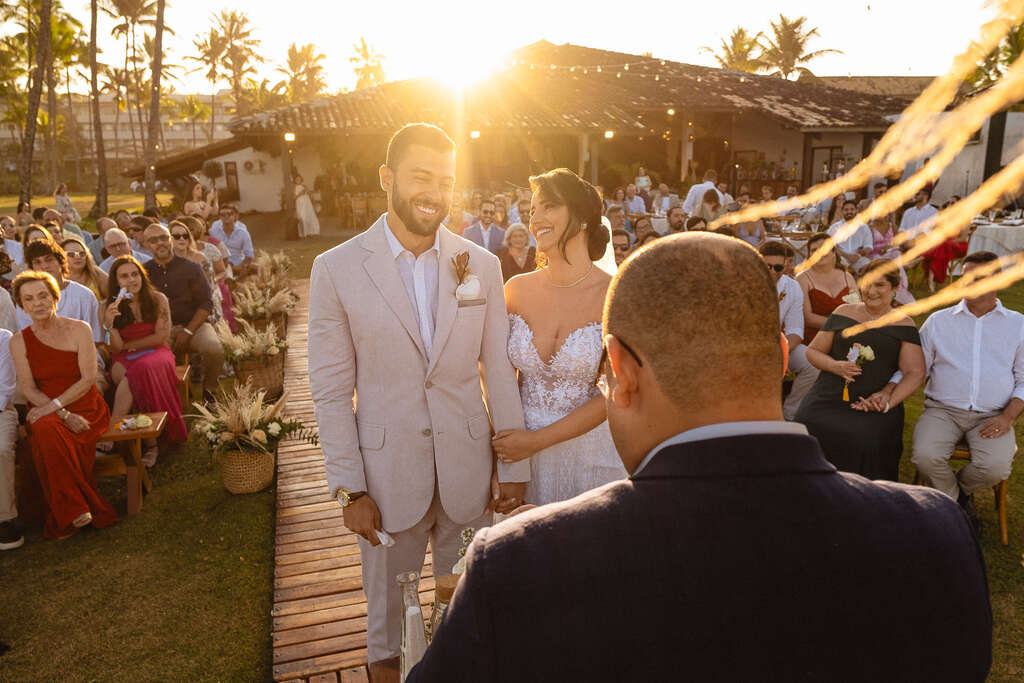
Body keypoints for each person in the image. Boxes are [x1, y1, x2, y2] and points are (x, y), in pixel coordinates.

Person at [409, 234, 992, 683]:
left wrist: (539, 542)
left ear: (621, 370)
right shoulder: (935, 531)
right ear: (782, 354)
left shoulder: (518, 566)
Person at [308, 124, 528, 683]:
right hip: (383, 483)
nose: (435, 192)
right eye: (421, 177)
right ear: (387, 179)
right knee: (387, 631)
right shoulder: (335, 269)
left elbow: (497, 370)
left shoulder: (481, 263)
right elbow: (332, 391)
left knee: (471, 617)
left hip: (470, 472)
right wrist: (348, 489)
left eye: (447, 181)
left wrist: (514, 464)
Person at [492, 167, 623, 506]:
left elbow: (614, 391)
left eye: (549, 206)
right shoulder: (516, 290)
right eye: (533, 209)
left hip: (591, 456)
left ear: (581, 217)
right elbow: (494, 375)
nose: (535, 219)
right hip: (520, 456)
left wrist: (536, 441)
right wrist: (506, 458)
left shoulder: (615, 295)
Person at [910, 251, 1023, 534]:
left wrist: (1007, 418)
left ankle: (952, 495)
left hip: (994, 414)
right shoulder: (938, 321)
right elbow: (916, 369)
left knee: (995, 468)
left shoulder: (1018, 324)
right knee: (925, 456)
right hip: (942, 410)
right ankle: (959, 504)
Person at [10, 271, 117, 539]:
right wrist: (62, 413)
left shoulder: (80, 329)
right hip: (49, 407)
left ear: (55, 297)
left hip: (85, 403)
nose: (37, 303)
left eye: (43, 295)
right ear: (22, 305)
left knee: (42, 425)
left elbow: (89, 378)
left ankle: (68, 509)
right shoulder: (19, 341)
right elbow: (29, 388)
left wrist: (58, 408)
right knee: (45, 428)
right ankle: (76, 507)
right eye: (29, 299)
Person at [796, 259, 926, 480]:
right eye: (866, 284)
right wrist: (834, 365)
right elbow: (813, 351)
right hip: (829, 394)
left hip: (871, 401)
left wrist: (886, 403)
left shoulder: (903, 324)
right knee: (806, 422)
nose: (871, 291)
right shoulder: (844, 312)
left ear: (895, 289)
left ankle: (862, 495)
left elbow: (915, 372)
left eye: (880, 285)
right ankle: (809, 485)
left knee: (863, 437)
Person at [102, 256, 187, 464]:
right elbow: (114, 347)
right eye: (124, 276)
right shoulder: (107, 305)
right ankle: (149, 442)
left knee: (140, 371)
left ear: (142, 276)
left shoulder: (158, 299)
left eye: (135, 274)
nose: (131, 280)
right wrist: (109, 325)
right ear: (116, 281)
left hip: (158, 353)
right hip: (122, 359)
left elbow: (160, 337)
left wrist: (129, 345)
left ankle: (120, 431)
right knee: (137, 375)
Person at [142, 223, 222, 401]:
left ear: (170, 240)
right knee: (154, 360)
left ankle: (209, 392)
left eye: (164, 238)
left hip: (193, 325)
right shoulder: (143, 273)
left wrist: (187, 331)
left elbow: (205, 304)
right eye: (154, 240)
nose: (160, 243)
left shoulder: (191, 268)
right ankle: (168, 398)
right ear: (146, 245)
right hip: (160, 330)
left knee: (214, 349)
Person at [787, 234, 858, 419]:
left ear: (834, 252)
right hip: (814, 338)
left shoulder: (847, 277)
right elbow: (808, 318)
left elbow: (857, 309)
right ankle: (794, 411)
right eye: (814, 250)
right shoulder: (803, 278)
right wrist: (840, 326)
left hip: (845, 335)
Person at [16, 237, 104, 344]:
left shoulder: (84, 295)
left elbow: (96, 339)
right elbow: (27, 339)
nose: (44, 266)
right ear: (32, 268)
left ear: (61, 262)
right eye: (37, 262)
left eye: (49, 259)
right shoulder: (26, 299)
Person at [182, 215, 236, 332]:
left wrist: (213, 281)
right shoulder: (176, 252)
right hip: (186, 295)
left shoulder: (210, 249)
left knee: (215, 327)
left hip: (210, 290)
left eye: (188, 231)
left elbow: (222, 271)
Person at [169, 220, 223, 324]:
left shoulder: (199, 258)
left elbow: (209, 285)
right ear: (169, 239)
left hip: (203, 305)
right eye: (176, 236)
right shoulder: (167, 261)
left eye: (185, 236)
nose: (181, 239)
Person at [760, 241, 804, 355]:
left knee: (808, 361)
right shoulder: (743, 283)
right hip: (744, 346)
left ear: (784, 265)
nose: (773, 272)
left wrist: (781, 352)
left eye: (778, 267)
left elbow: (795, 330)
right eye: (768, 266)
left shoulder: (793, 287)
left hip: (778, 346)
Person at [0, 327, 20, 549]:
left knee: (1, 449)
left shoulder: (3, 338)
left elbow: (4, 391)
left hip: (1, 411)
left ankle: (5, 520)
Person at [209, 204, 254, 277]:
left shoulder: (243, 233)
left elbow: (249, 255)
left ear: (234, 216)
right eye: (223, 215)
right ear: (220, 217)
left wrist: (242, 266)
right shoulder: (213, 232)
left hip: (237, 264)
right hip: (220, 264)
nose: (226, 216)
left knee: (256, 268)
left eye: (229, 214)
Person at [827, 200, 873, 271]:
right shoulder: (835, 227)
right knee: (838, 267)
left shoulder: (863, 227)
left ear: (856, 210)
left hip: (857, 258)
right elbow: (829, 246)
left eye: (852, 209)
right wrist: (847, 256)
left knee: (868, 267)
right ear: (842, 211)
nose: (849, 212)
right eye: (846, 210)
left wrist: (862, 252)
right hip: (840, 257)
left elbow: (869, 246)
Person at [294, 173, 321, 237]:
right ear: (295, 180)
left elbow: (309, 194)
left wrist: (308, 192)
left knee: (308, 216)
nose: (298, 180)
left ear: (301, 180)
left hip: (306, 203)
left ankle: (310, 232)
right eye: (297, 179)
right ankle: (303, 233)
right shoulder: (294, 187)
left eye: (299, 179)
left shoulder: (304, 186)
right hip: (299, 203)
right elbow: (294, 197)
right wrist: (300, 193)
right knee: (302, 217)